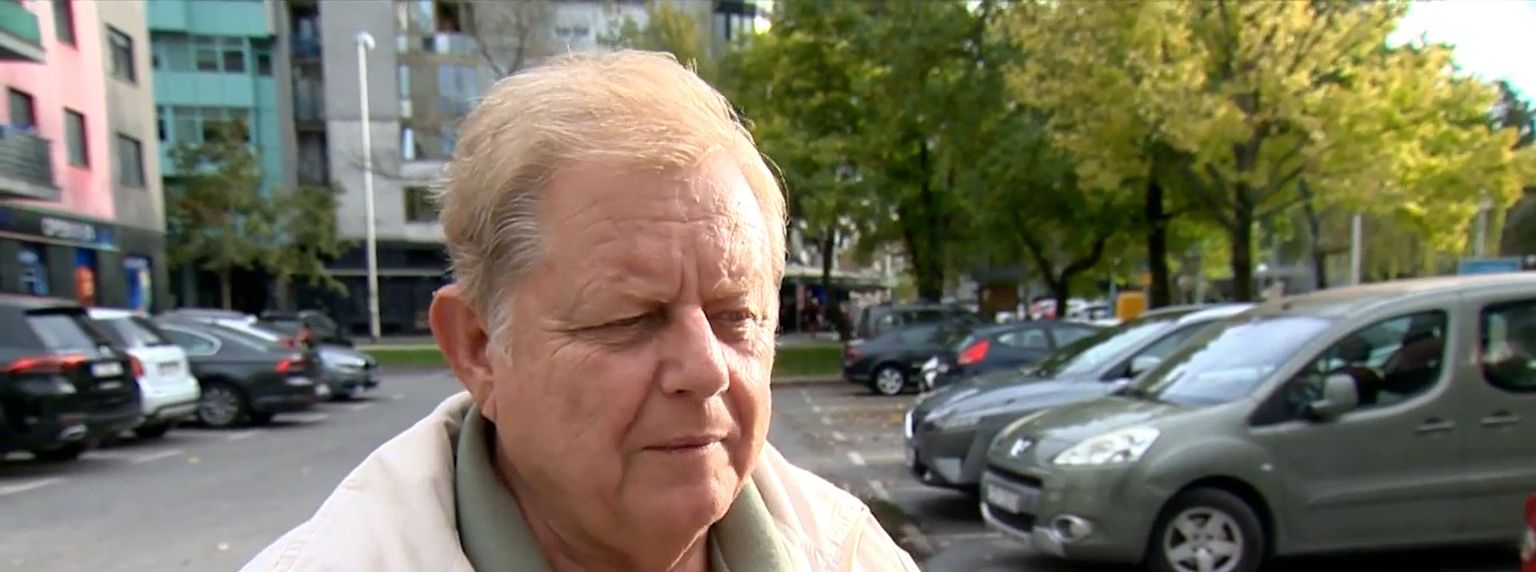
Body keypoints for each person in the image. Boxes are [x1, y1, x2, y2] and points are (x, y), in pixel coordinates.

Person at [241, 50, 920, 572]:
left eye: (736, 317)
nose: (706, 370)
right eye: (629, 319)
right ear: (478, 347)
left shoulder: (853, 555)